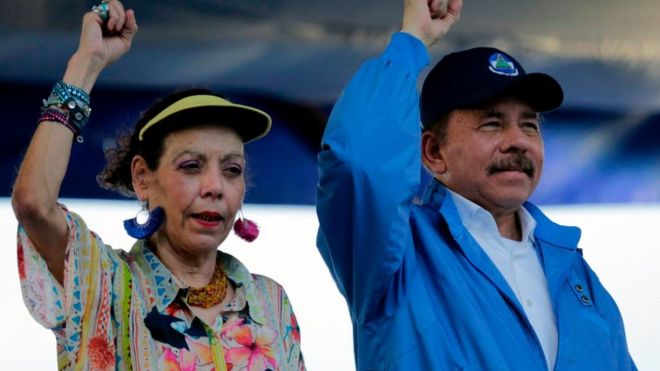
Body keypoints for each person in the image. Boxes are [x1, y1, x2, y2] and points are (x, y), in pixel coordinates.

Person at [316, 0, 636, 369]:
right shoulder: (396, 256)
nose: (519, 141)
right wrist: (411, 40)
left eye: (529, 124)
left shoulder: (576, 275)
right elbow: (359, 160)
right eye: (492, 124)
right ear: (434, 152)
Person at [12, 2, 304, 370]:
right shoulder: (104, 284)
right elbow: (34, 203)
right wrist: (87, 63)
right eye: (192, 166)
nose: (215, 186)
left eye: (232, 169)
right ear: (141, 177)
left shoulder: (271, 303)